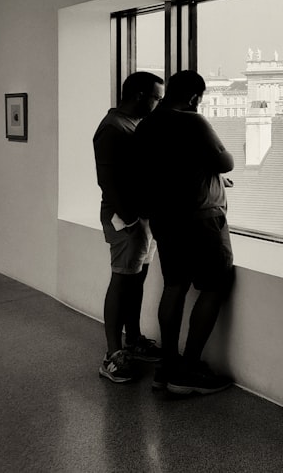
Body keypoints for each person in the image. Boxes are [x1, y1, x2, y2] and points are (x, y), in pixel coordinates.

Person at [134, 70, 235, 396]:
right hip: (201, 218)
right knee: (216, 284)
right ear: (195, 97)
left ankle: (167, 365)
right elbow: (225, 162)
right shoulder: (193, 122)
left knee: (174, 287)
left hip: (166, 218)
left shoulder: (147, 124)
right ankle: (188, 368)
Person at [93, 71, 165, 383]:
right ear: (138, 95)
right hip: (126, 220)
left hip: (143, 218)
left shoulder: (135, 125)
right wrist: (132, 221)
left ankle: (133, 340)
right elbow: (107, 182)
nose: (158, 103)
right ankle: (112, 354)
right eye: (156, 97)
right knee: (122, 282)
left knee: (136, 281)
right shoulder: (112, 128)